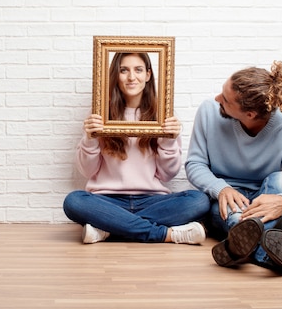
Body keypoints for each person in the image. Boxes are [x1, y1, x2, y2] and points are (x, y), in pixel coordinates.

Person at [185, 61, 282, 274]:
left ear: (250, 115)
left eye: (226, 100)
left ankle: (236, 246)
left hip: (265, 204)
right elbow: (195, 163)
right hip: (225, 203)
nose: (217, 99)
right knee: (236, 217)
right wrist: (221, 188)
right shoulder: (208, 111)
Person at [63, 52, 210, 244]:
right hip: (107, 200)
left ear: (148, 75)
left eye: (138, 70)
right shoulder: (100, 114)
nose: (132, 77)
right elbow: (88, 170)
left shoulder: (162, 115)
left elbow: (168, 175)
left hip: (151, 200)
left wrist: (169, 140)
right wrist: (90, 138)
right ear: (116, 75)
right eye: (124, 70)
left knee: (199, 200)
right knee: (74, 201)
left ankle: (109, 228)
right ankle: (168, 235)